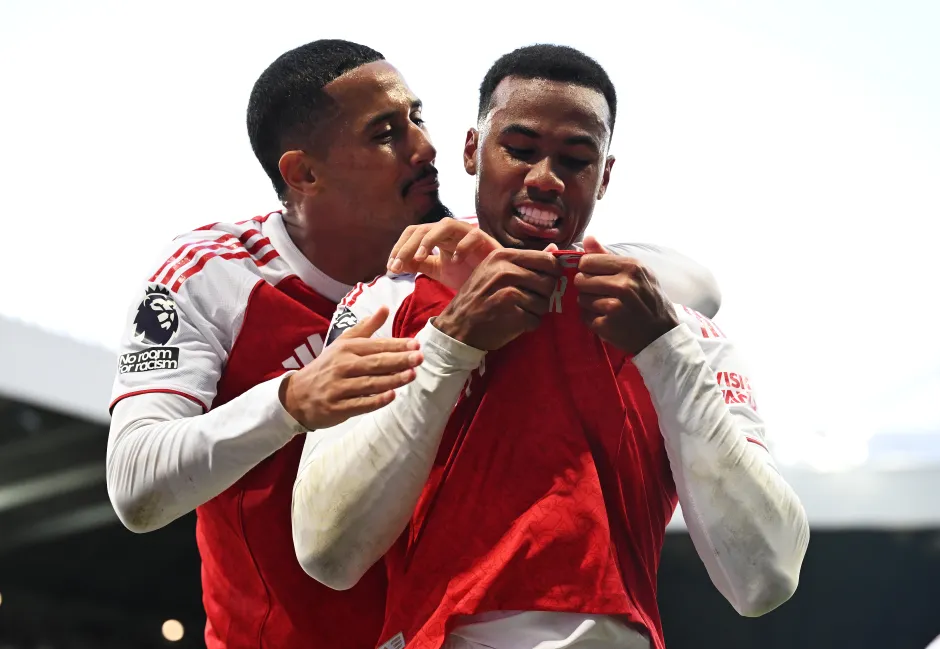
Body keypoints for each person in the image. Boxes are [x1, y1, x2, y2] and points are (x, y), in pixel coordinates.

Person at [105, 40, 722, 649]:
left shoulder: (457, 254)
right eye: (385, 133)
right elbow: (137, 485)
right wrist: (293, 400)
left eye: (417, 117)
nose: (425, 148)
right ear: (304, 172)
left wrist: (534, 262)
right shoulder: (216, 274)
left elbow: (699, 288)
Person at [292, 45, 809, 649]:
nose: (545, 178)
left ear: (605, 176)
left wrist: (665, 352)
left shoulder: (678, 329)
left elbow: (765, 579)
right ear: (470, 151)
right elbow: (326, 552)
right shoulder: (384, 305)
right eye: (520, 149)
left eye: (576, 159)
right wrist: (451, 342)